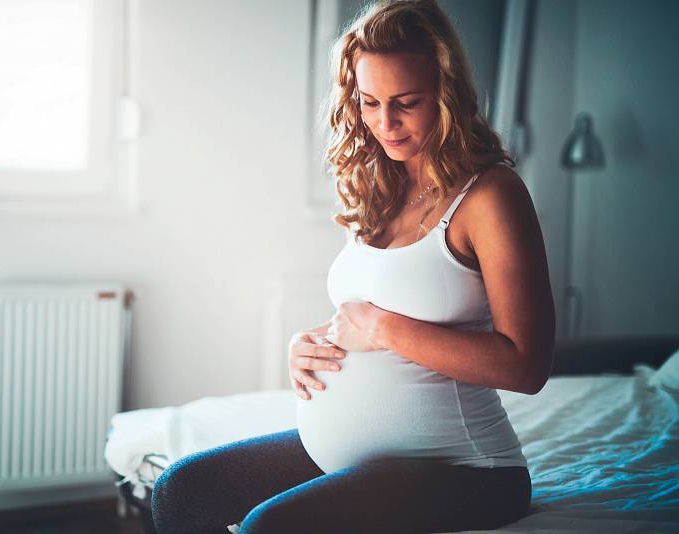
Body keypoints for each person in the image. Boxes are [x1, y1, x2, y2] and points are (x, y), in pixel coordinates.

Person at [150, 1, 555, 532]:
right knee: (182, 493)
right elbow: (365, 312)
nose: (385, 124)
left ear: (447, 95)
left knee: (267, 527)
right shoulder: (380, 187)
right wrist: (311, 343)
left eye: (407, 103)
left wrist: (385, 330)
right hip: (347, 456)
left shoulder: (490, 196)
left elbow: (525, 367)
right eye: (369, 103)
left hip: (465, 468)